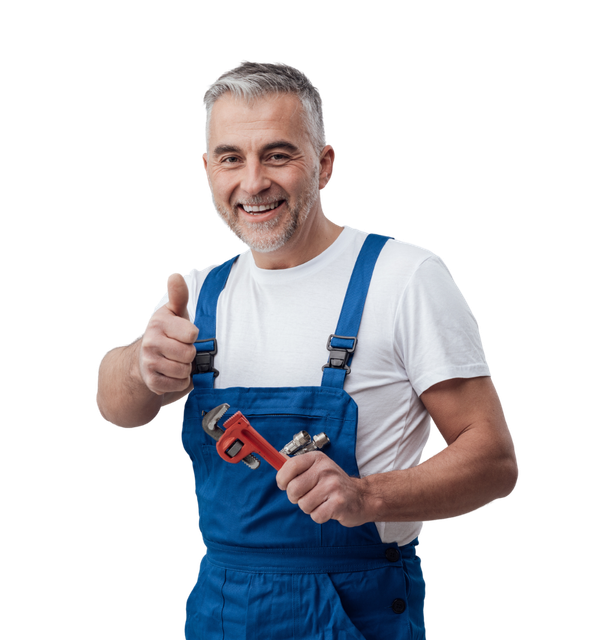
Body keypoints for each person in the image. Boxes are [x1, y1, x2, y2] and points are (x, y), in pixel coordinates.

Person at [95, 61, 519, 639]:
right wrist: (143, 365)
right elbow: (115, 408)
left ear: (324, 165)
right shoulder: (196, 295)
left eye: (277, 155)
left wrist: (367, 496)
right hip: (222, 609)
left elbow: (494, 461)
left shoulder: (405, 277)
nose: (252, 182)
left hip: (355, 607)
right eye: (230, 158)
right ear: (206, 171)